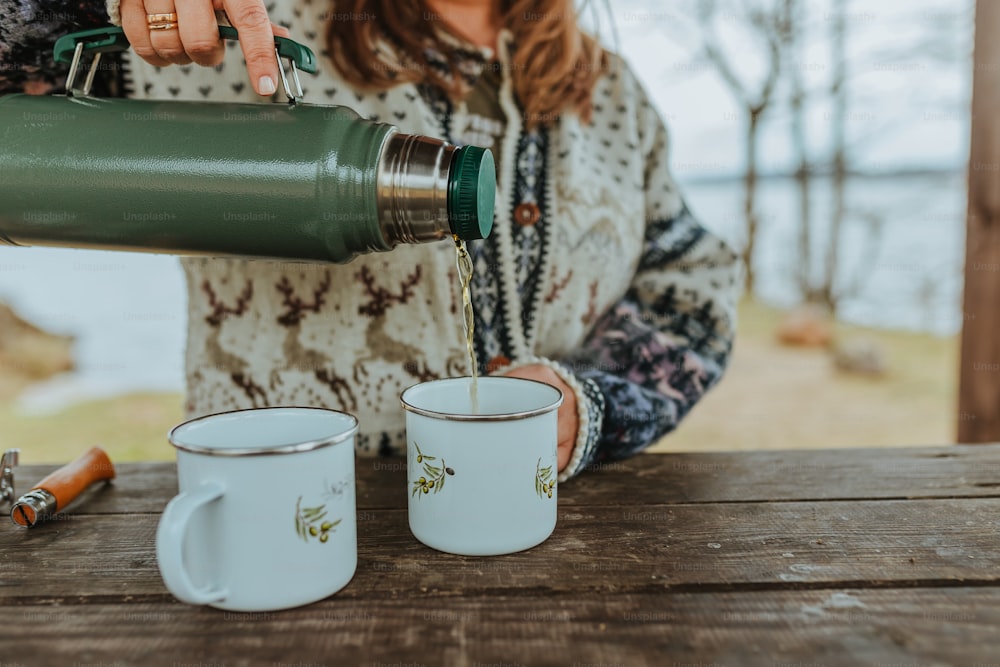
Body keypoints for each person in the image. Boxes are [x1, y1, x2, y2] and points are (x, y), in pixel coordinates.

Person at [13, 0, 741, 480]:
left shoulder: (611, 92)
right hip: (269, 534)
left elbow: (693, 290)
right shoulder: (246, 27)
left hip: (556, 550)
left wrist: (590, 407)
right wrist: (94, 5)